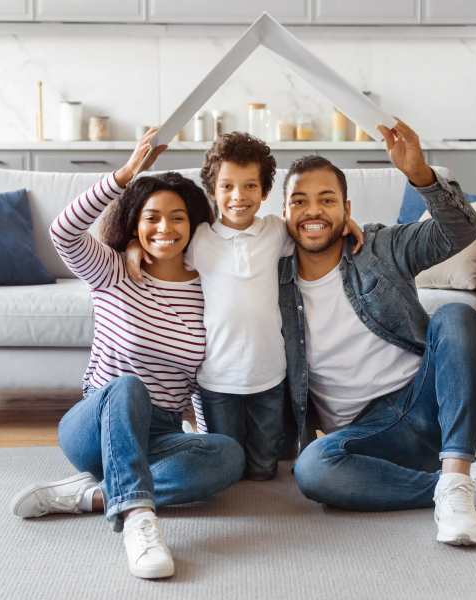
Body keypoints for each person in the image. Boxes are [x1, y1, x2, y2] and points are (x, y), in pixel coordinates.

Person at [279, 118, 476, 546]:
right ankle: (461, 487)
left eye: (326, 200)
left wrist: (422, 176)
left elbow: (461, 230)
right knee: (312, 469)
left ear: (347, 210)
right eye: (300, 201)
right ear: (285, 214)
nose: (313, 211)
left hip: (429, 403)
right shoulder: (272, 281)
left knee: (456, 314)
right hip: (367, 435)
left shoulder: (380, 246)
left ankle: (456, 473)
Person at [8, 127, 245, 579]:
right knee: (129, 386)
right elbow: (63, 232)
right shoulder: (113, 270)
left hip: (159, 432)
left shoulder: (208, 288)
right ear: (135, 223)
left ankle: (88, 495)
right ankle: (137, 518)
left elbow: (201, 375)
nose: (164, 229)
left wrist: (203, 437)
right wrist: (125, 174)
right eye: (152, 218)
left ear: (194, 224)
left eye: (177, 217)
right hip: (97, 422)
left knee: (227, 456)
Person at [125, 132, 363, 481]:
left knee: (265, 470)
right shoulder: (199, 238)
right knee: (229, 466)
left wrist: (347, 223)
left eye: (250, 186)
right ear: (213, 192)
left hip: (269, 377)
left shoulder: (276, 231)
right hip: (217, 380)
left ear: (265, 192)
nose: (239, 197)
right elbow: (163, 244)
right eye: (227, 187)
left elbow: (312, 230)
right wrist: (134, 245)